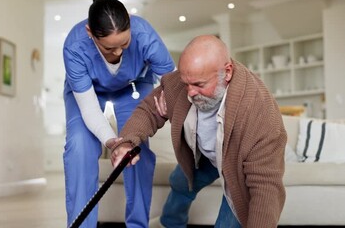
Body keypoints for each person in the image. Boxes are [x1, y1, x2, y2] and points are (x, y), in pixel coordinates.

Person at [111, 35, 287, 227]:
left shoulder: (259, 112)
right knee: (180, 181)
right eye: (186, 83)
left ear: (226, 73)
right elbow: (148, 111)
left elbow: (266, 188)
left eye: (199, 85)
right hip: (206, 155)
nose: (190, 92)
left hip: (239, 167)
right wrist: (127, 141)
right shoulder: (183, 82)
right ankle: (170, 223)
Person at [62, 0, 175, 228]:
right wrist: (113, 142)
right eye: (109, 48)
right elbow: (90, 110)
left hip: (134, 86)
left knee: (136, 151)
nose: (119, 52)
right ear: (90, 33)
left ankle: (137, 225)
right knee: (79, 149)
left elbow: (173, 84)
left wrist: (172, 106)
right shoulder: (74, 47)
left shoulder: (145, 35)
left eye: (125, 44)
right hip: (87, 92)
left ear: (131, 25)